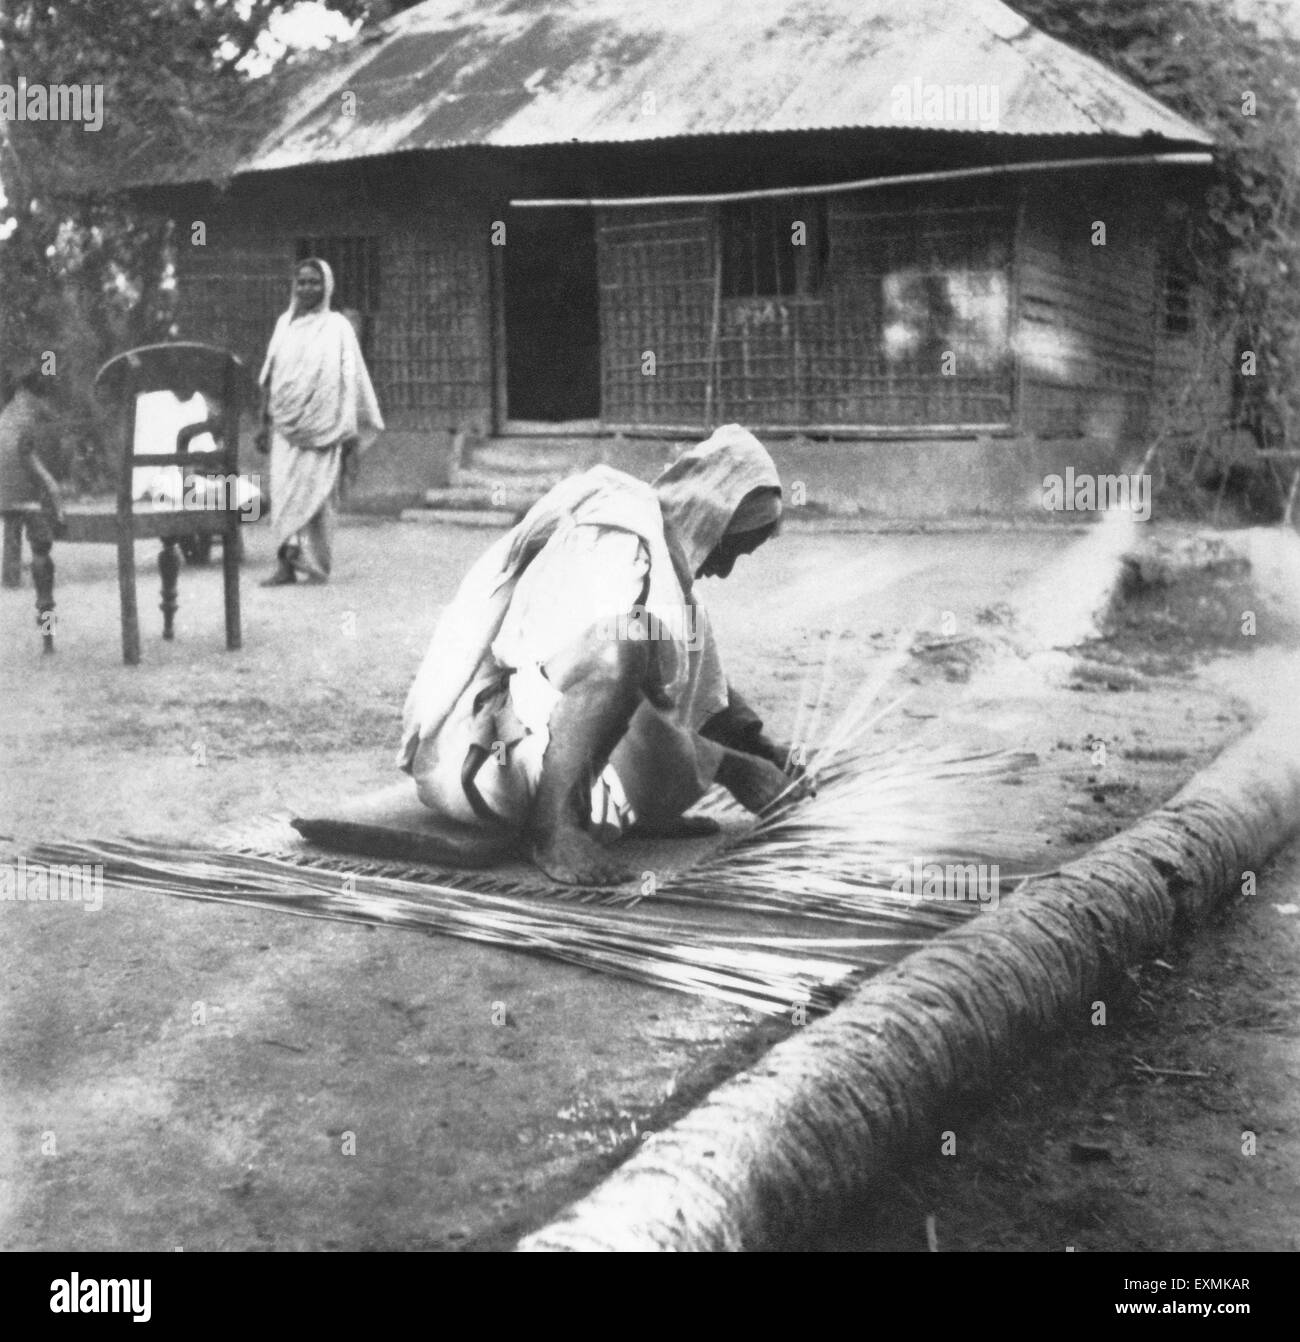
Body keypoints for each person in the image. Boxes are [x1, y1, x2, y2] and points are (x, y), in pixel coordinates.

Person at [397, 424, 803, 886]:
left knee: (663, 654)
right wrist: (731, 767)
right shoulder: (614, 534)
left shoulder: (674, 582)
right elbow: (586, 678)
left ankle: (588, 812)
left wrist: (763, 751)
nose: (726, 570)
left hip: (551, 750)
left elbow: (698, 687)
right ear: (710, 516)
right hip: (491, 751)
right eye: (731, 549)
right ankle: (552, 829)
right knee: (625, 643)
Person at [255, 258, 383, 584]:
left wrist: (350, 423)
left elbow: (350, 376)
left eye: (314, 282)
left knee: (319, 497)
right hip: (285, 426)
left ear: (326, 286)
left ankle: (315, 566)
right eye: (302, 282)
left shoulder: (337, 326)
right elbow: (271, 374)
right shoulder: (284, 324)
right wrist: (263, 421)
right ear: (294, 286)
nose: (307, 288)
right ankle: (286, 565)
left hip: (325, 426)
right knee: (283, 496)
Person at [0, 363, 67, 643]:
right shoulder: (38, 408)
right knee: (42, 553)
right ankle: (47, 632)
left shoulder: (10, 410)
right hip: (30, 485)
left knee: (13, 525)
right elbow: (55, 438)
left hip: (6, 489)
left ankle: (11, 575)